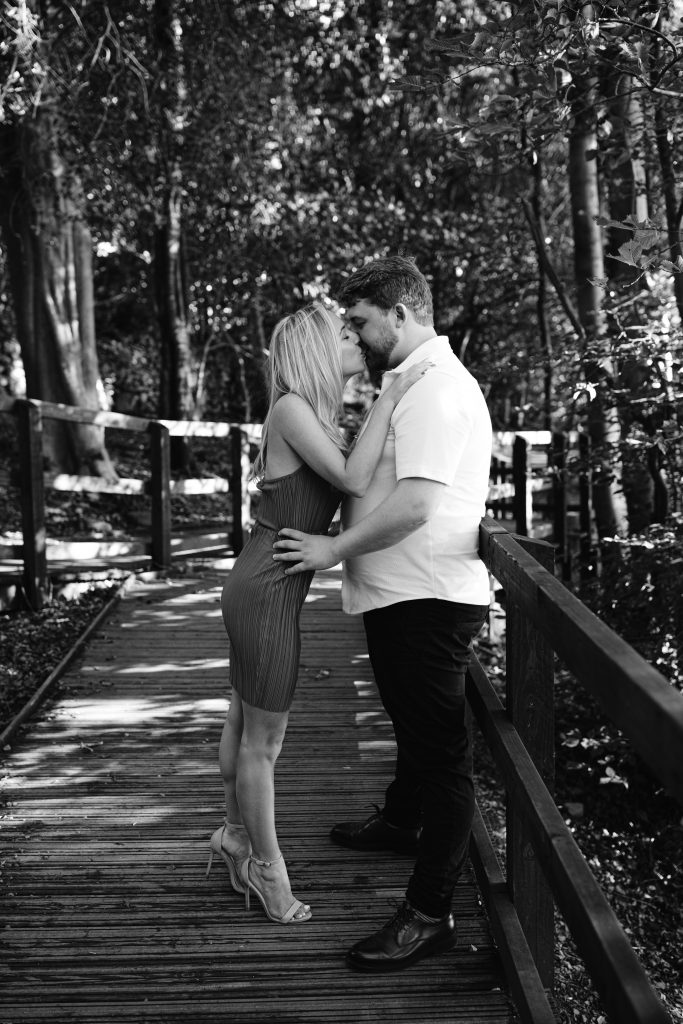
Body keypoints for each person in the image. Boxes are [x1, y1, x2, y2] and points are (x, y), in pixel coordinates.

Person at [273, 255, 492, 969]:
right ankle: (402, 820)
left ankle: (429, 912)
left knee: (443, 758)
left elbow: (418, 504)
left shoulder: (435, 390)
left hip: (427, 600)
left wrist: (334, 548)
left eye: (362, 322)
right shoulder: (409, 382)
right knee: (411, 728)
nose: (357, 336)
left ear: (400, 314)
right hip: (403, 595)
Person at [206, 301, 432, 926]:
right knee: (264, 744)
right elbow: (353, 481)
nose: (354, 340)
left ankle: (234, 834)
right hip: (266, 590)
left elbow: (339, 492)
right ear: (314, 348)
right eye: (343, 333)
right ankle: (267, 870)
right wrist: (391, 395)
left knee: (243, 719)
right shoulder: (292, 410)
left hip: (264, 582)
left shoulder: (310, 415)